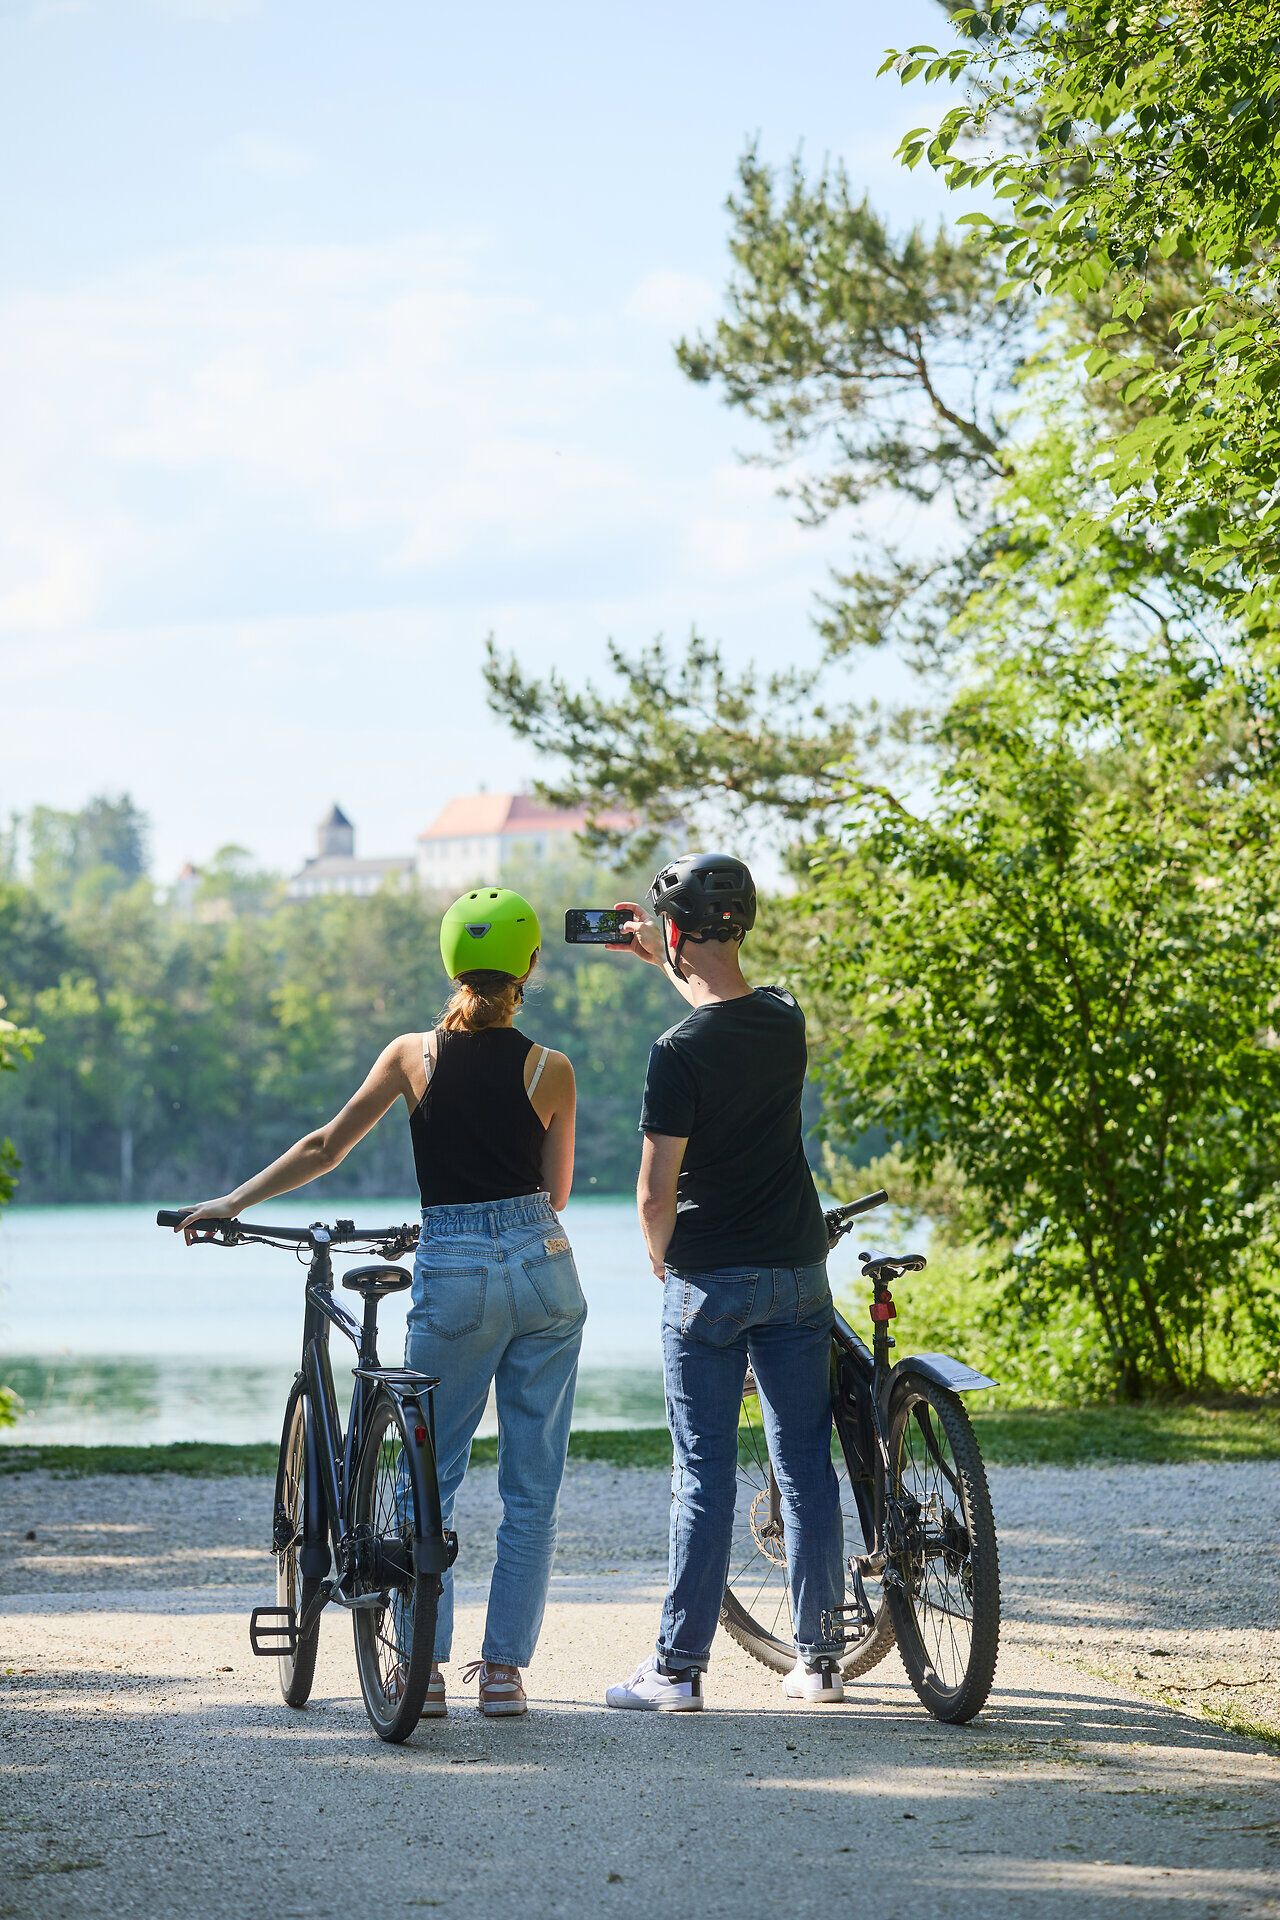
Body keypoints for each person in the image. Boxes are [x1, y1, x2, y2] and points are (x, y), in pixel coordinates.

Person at [175, 886, 583, 1720]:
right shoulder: (552, 1069)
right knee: (531, 1485)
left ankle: (423, 1672)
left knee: (425, 1475)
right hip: (545, 1269)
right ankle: (503, 1676)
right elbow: (559, 1192)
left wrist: (232, 1203)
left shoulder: (413, 1056)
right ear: (530, 966)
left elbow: (326, 1147)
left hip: (457, 1269)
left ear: (449, 963)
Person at [602, 853, 844, 1712]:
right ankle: (818, 1663)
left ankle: (677, 1670)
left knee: (703, 1474)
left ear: (676, 932)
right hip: (797, 1274)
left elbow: (653, 1191)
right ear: (741, 925)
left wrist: (659, 1251)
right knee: (806, 1465)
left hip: (708, 1280)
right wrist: (662, 960)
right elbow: (726, 1014)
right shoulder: (784, 1018)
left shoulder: (676, 1053)